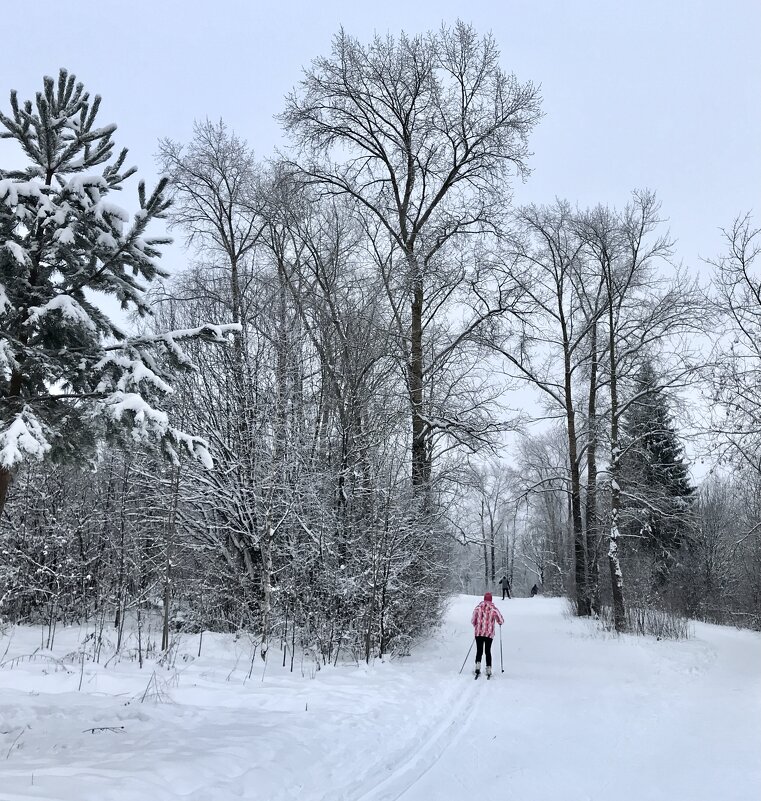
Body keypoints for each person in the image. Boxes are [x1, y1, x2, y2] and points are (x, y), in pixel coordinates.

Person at [471, 592, 504, 678]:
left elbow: (473, 620)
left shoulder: (478, 608)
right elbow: (501, 620)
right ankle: (488, 668)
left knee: (479, 650)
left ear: (484, 598)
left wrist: (476, 625)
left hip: (478, 633)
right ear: (491, 599)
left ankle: (477, 667)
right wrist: (499, 622)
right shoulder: (494, 609)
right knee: (488, 651)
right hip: (489, 634)